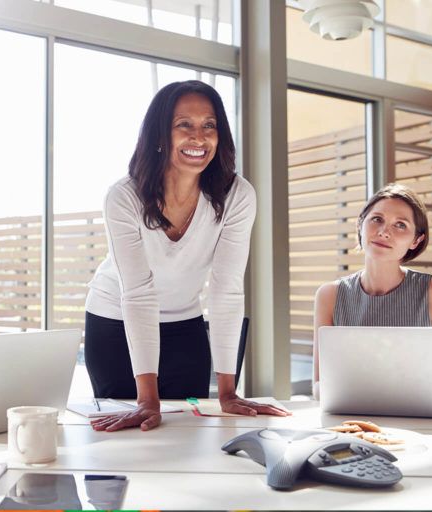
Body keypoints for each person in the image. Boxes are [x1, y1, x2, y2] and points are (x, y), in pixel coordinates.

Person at [84, 80, 290, 433]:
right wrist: (147, 400)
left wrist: (228, 392)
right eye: (185, 125)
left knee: (187, 437)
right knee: (127, 441)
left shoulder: (236, 195)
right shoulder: (124, 197)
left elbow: (227, 288)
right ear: (161, 135)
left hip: (185, 324)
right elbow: (137, 292)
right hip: (116, 322)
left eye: (209, 125)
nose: (199, 137)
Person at [313, 183, 432, 402]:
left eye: (400, 225)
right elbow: (320, 385)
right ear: (360, 225)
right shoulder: (329, 295)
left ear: (416, 240)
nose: (384, 232)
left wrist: (389, 394)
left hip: (420, 421)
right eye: (377, 219)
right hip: (355, 422)